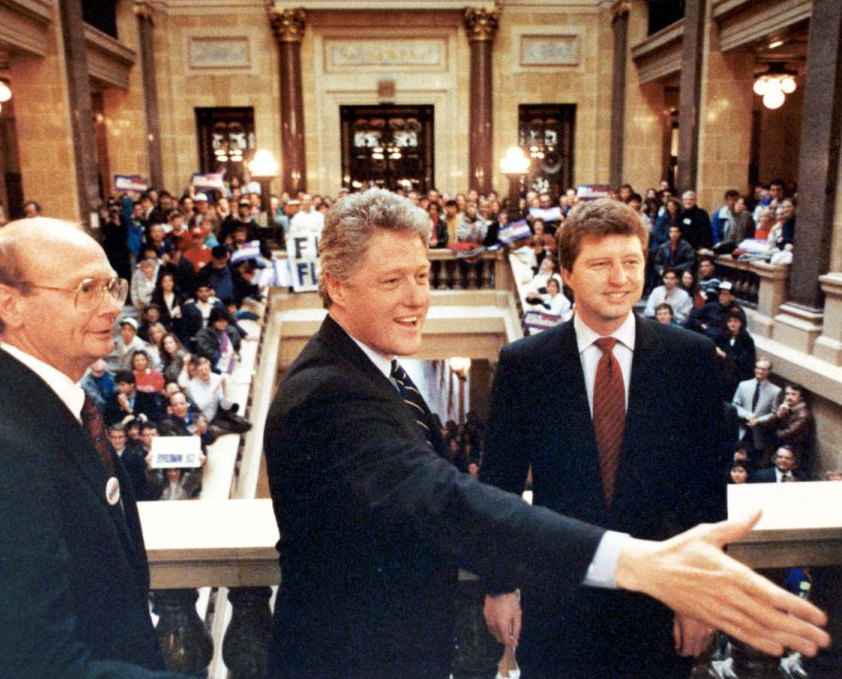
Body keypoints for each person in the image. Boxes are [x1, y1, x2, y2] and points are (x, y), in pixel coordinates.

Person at [263, 189, 829, 679]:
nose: (417, 298)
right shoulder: (328, 393)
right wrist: (632, 560)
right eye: (392, 281)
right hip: (353, 659)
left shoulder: (371, 372)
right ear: (336, 287)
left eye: (422, 275)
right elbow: (445, 500)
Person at [477, 198, 791, 679]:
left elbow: (706, 491)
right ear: (567, 273)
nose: (619, 278)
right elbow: (499, 483)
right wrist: (499, 586)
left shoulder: (690, 358)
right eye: (600, 264)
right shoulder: (526, 364)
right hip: (558, 605)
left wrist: (701, 596)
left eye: (631, 262)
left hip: (659, 606)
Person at [0, 218, 186, 678]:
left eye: (112, 286)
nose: (113, 307)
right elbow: (27, 663)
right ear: (10, 304)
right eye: (87, 289)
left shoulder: (57, 405)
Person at [732, 358, 783, 464]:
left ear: (768, 372)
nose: (759, 371)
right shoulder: (743, 385)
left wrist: (758, 420)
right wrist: (746, 414)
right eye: (757, 368)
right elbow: (735, 405)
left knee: (754, 462)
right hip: (742, 430)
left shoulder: (775, 391)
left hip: (759, 433)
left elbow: (775, 413)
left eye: (763, 369)